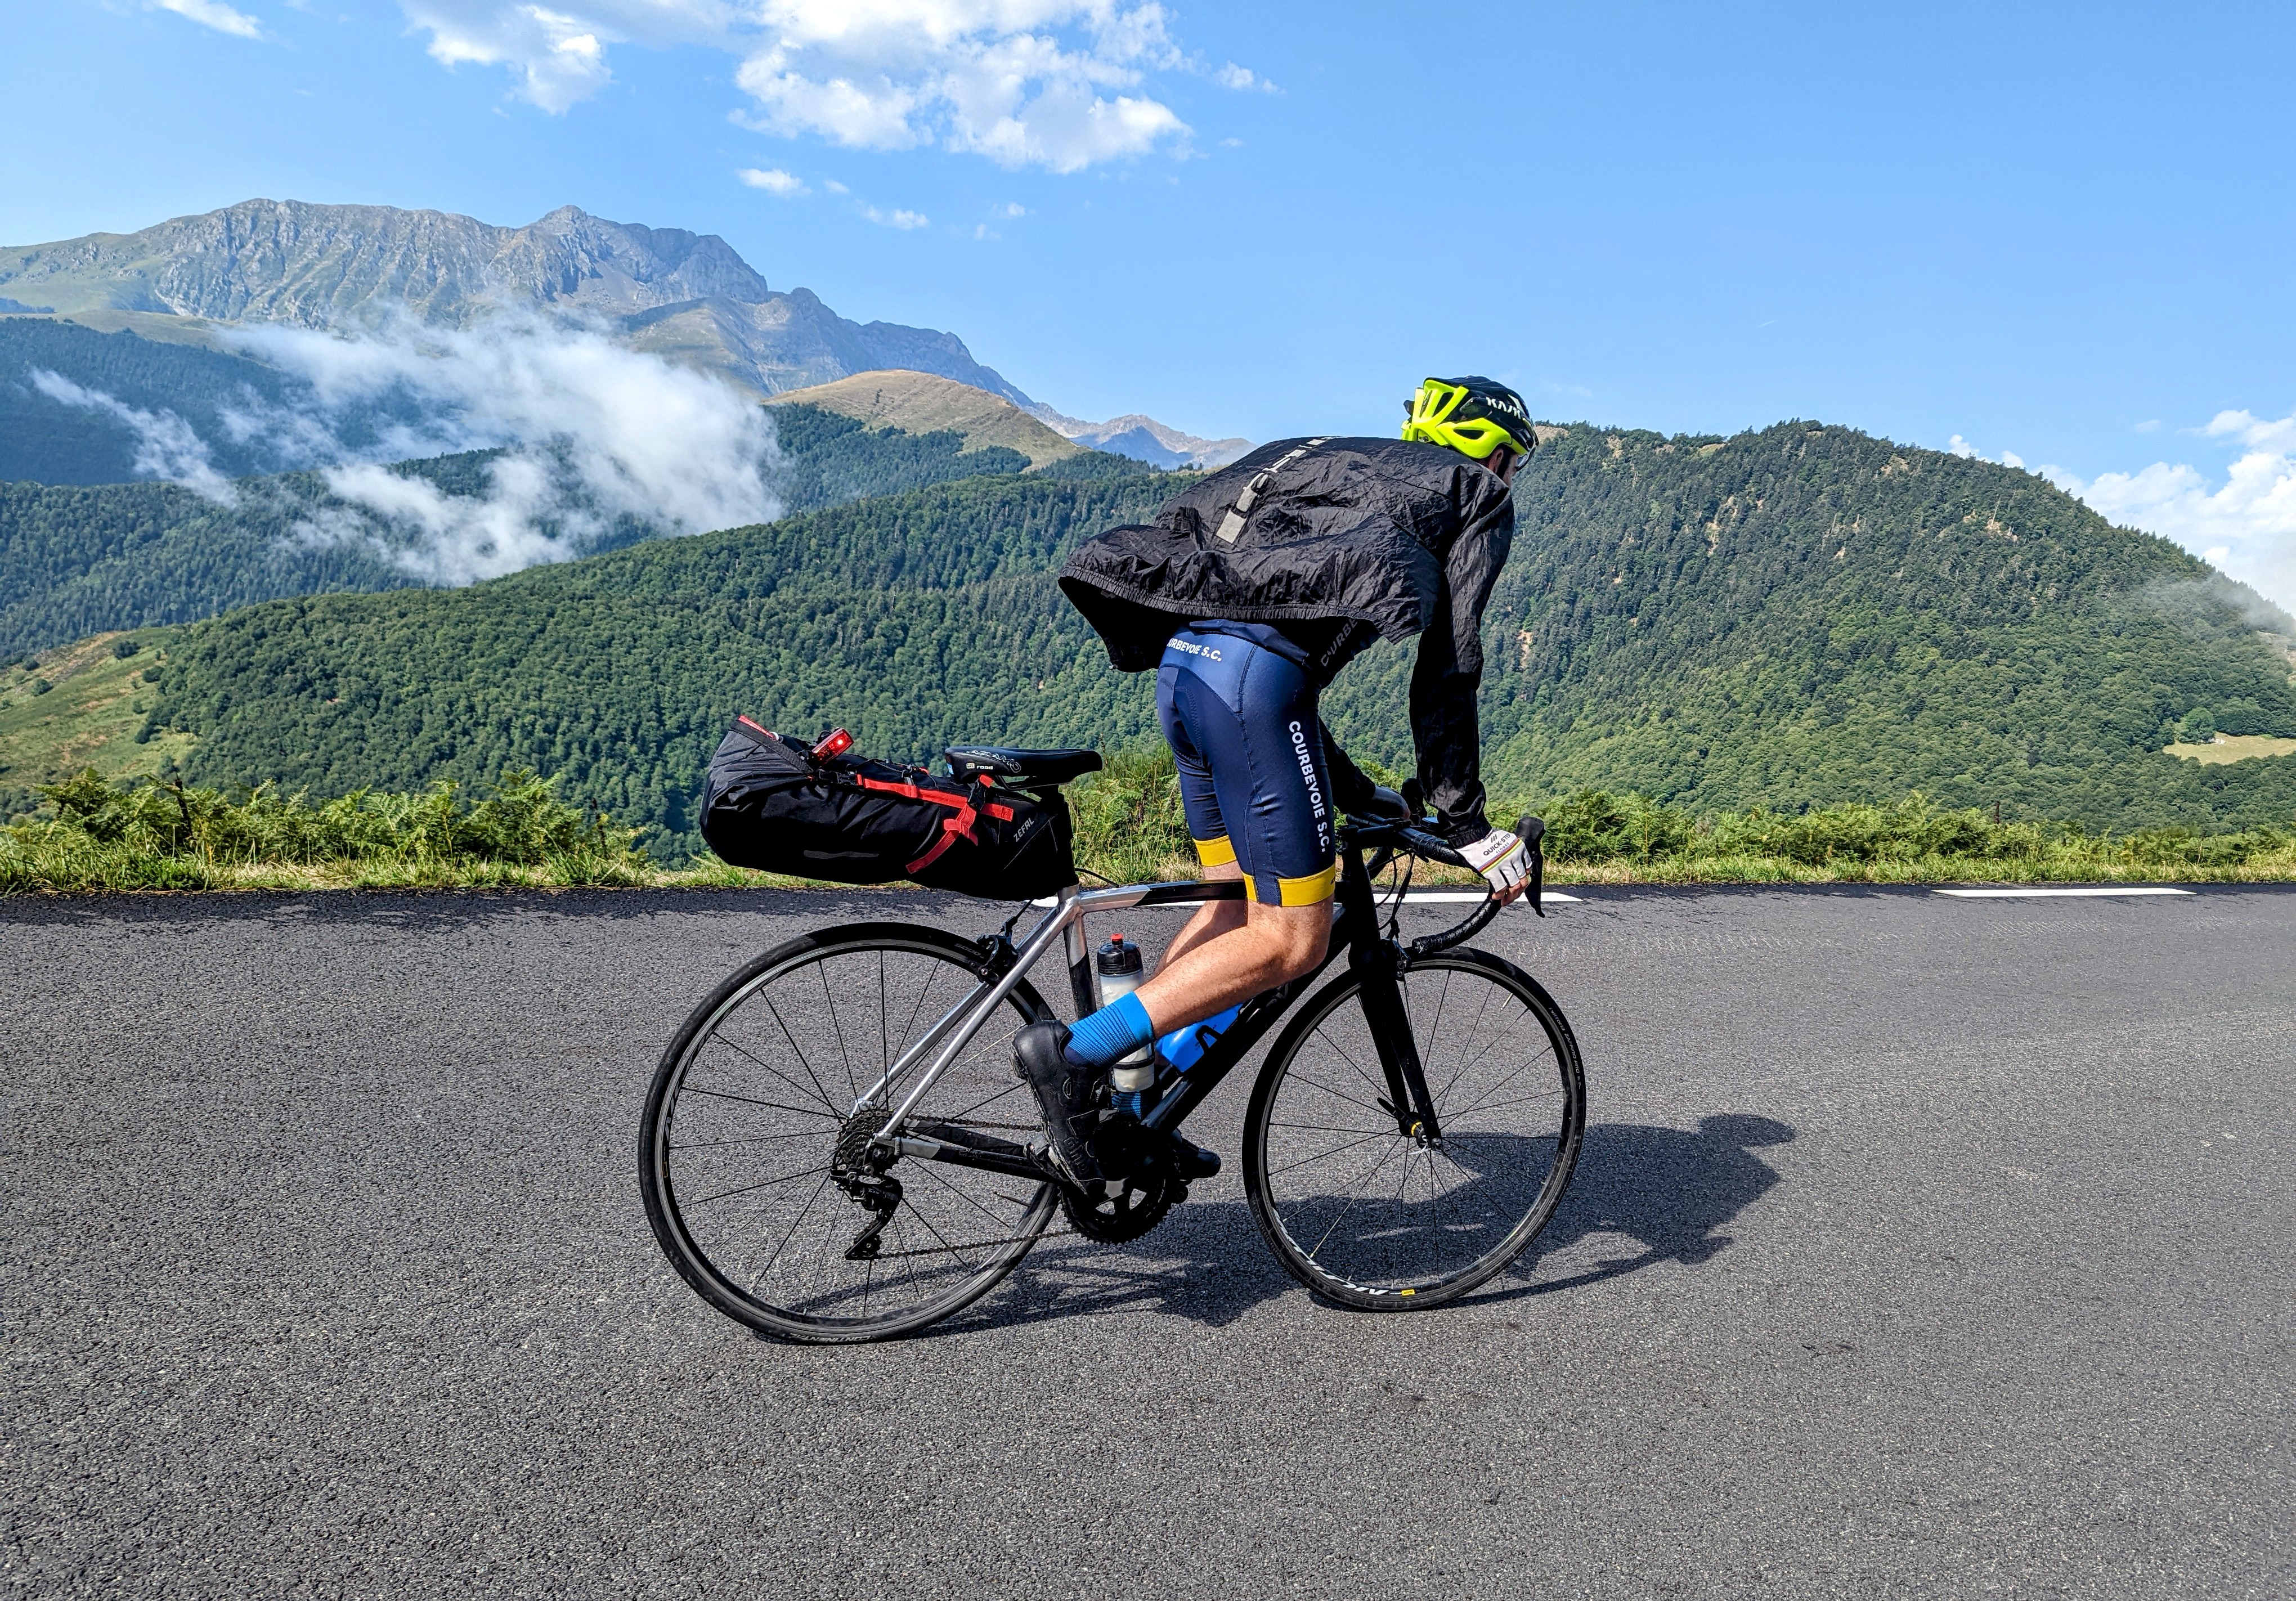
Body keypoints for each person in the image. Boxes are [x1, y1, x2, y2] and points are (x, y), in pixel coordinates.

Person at [1015, 375, 1540, 1183]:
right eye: (1515, 462)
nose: (1509, 479)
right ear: (1495, 452)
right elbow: (1449, 668)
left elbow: (1265, 630)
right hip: (1253, 694)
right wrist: (1467, 824)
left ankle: (1131, 1114)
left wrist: (1359, 794)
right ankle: (1074, 1056)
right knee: (1296, 936)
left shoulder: (1340, 463)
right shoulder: (1475, 493)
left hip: (1185, 678)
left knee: (1234, 904)